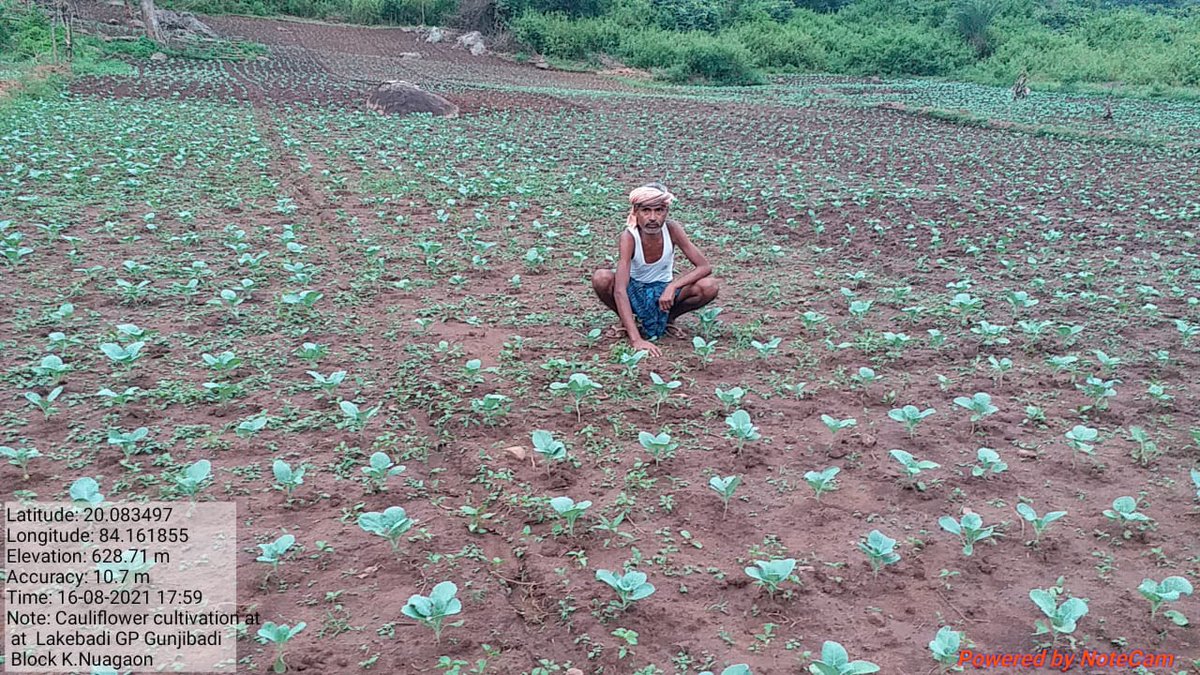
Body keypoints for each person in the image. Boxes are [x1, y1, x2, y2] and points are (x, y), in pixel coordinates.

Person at [591, 183, 719, 357]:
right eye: (646, 211)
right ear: (635, 211)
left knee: (709, 286)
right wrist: (636, 340)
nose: (652, 218)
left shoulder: (672, 230)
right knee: (602, 278)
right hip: (635, 290)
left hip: (664, 291)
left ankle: (668, 319)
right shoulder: (629, 236)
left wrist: (673, 286)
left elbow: (704, 267)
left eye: (659, 210)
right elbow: (620, 289)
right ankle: (626, 322)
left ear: (666, 211)